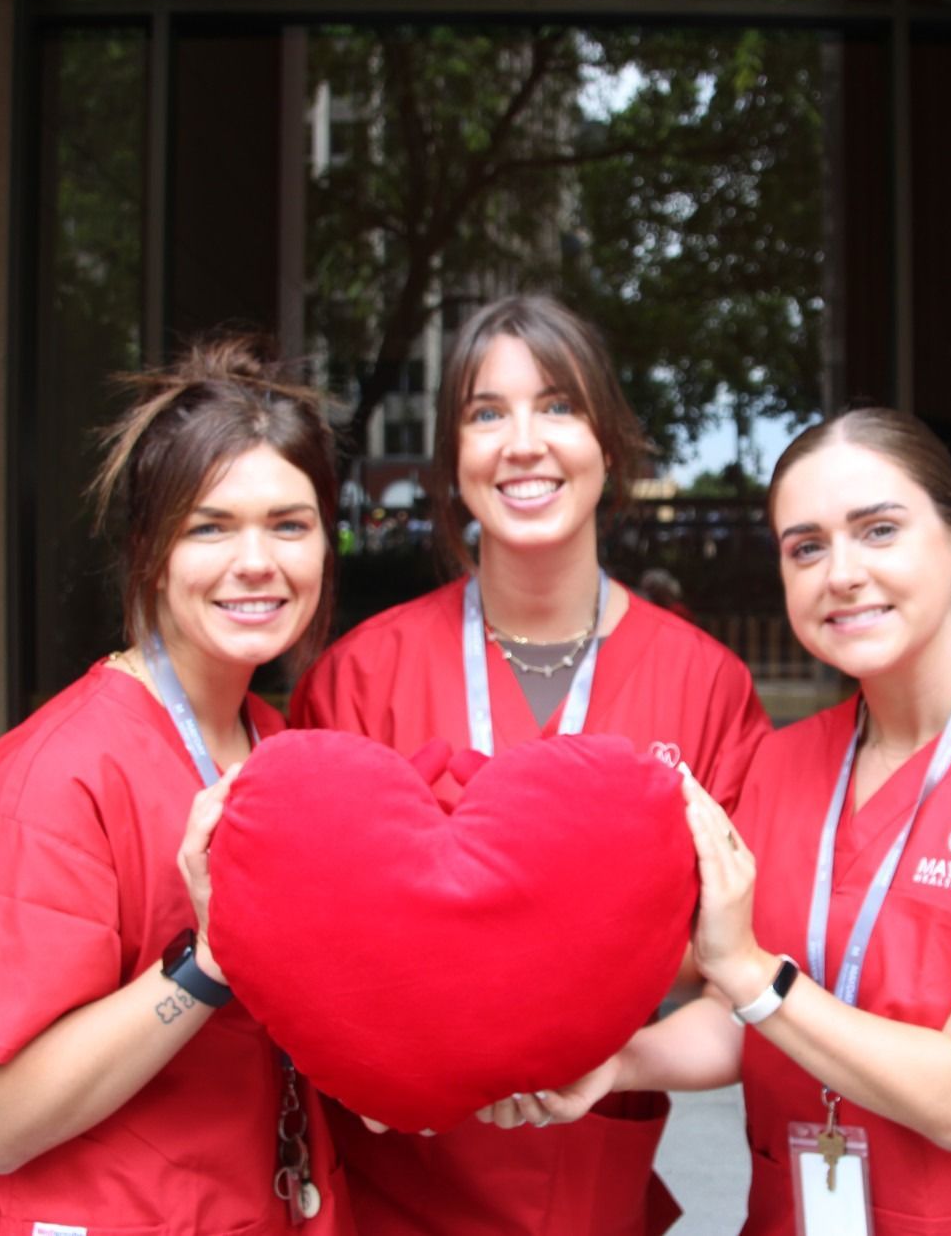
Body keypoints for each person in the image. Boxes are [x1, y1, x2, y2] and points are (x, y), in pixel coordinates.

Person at [501, 407, 951, 1235]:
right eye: (806, 546)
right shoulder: (777, 768)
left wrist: (750, 974)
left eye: (878, 529)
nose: (840, 573)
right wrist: (621, 1062)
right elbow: (747, 1022)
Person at [289, 294, 772, 1235]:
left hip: (592, 1191)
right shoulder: (360, 676)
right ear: (451, 458)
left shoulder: (704, 683)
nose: (523, 442)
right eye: (485, 412)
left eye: (558, 405)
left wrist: (619, 1058)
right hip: (395, 1187)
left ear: (609, 441)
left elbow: (745, 970)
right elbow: (311, 944)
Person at [0, 337, 354, 1235]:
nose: (257, 561)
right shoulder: (55, 776)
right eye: (210, 526)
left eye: (289, 522)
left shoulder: (279, 748)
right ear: (148, 550)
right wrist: (210, 961)